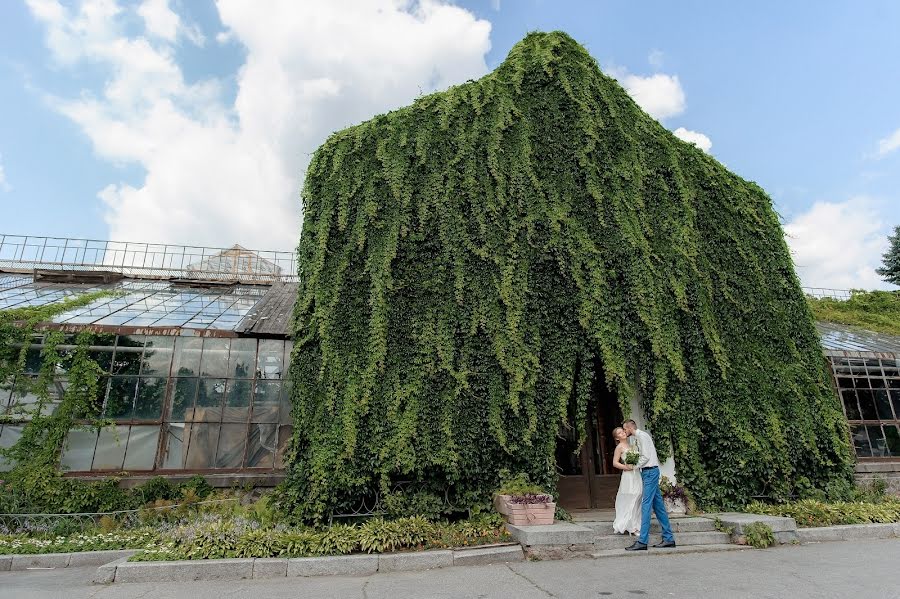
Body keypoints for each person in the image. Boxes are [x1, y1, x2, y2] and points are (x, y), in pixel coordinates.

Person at [622, 419, 676, 550]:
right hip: (648, 472)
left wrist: (633, 465)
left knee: (646, 505)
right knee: (658, 506)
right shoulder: (638, 438)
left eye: (625, 429)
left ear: (630, 428)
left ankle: (642, 541)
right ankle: (669, 539)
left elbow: (645, 456)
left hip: (650, 472)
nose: (624, 432)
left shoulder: (642, 436)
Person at [610, 426, 642, 535]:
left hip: (636, 474)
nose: (622, 433)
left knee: (638, 496)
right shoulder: (619, 447)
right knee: (631, 496)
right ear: (617, 438)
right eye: (619, 433)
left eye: (622, 431)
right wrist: (626, 467)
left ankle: (637, 524)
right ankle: (631, 527)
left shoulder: (631, 445)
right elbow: (615, 463)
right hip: (628, 475)